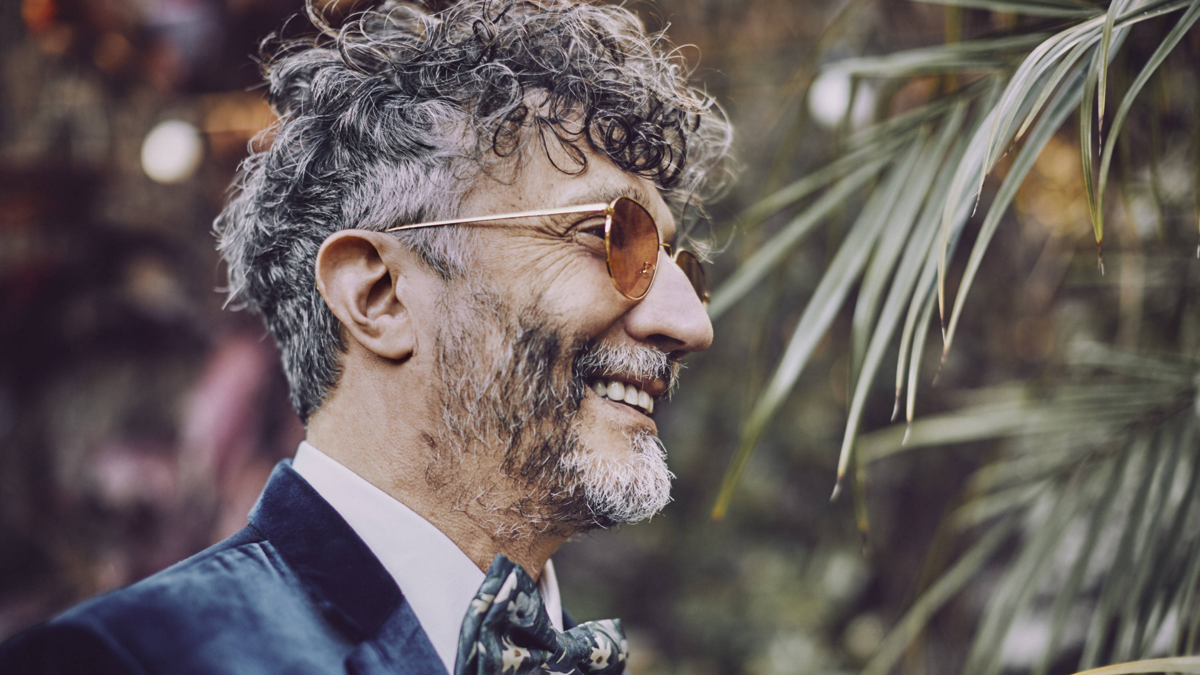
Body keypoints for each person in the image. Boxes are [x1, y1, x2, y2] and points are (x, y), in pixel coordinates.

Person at [0, 0, 732, 672]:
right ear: (378, 295)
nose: (690, 324)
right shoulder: (126, 657)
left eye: (680, 265)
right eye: (611, 236)